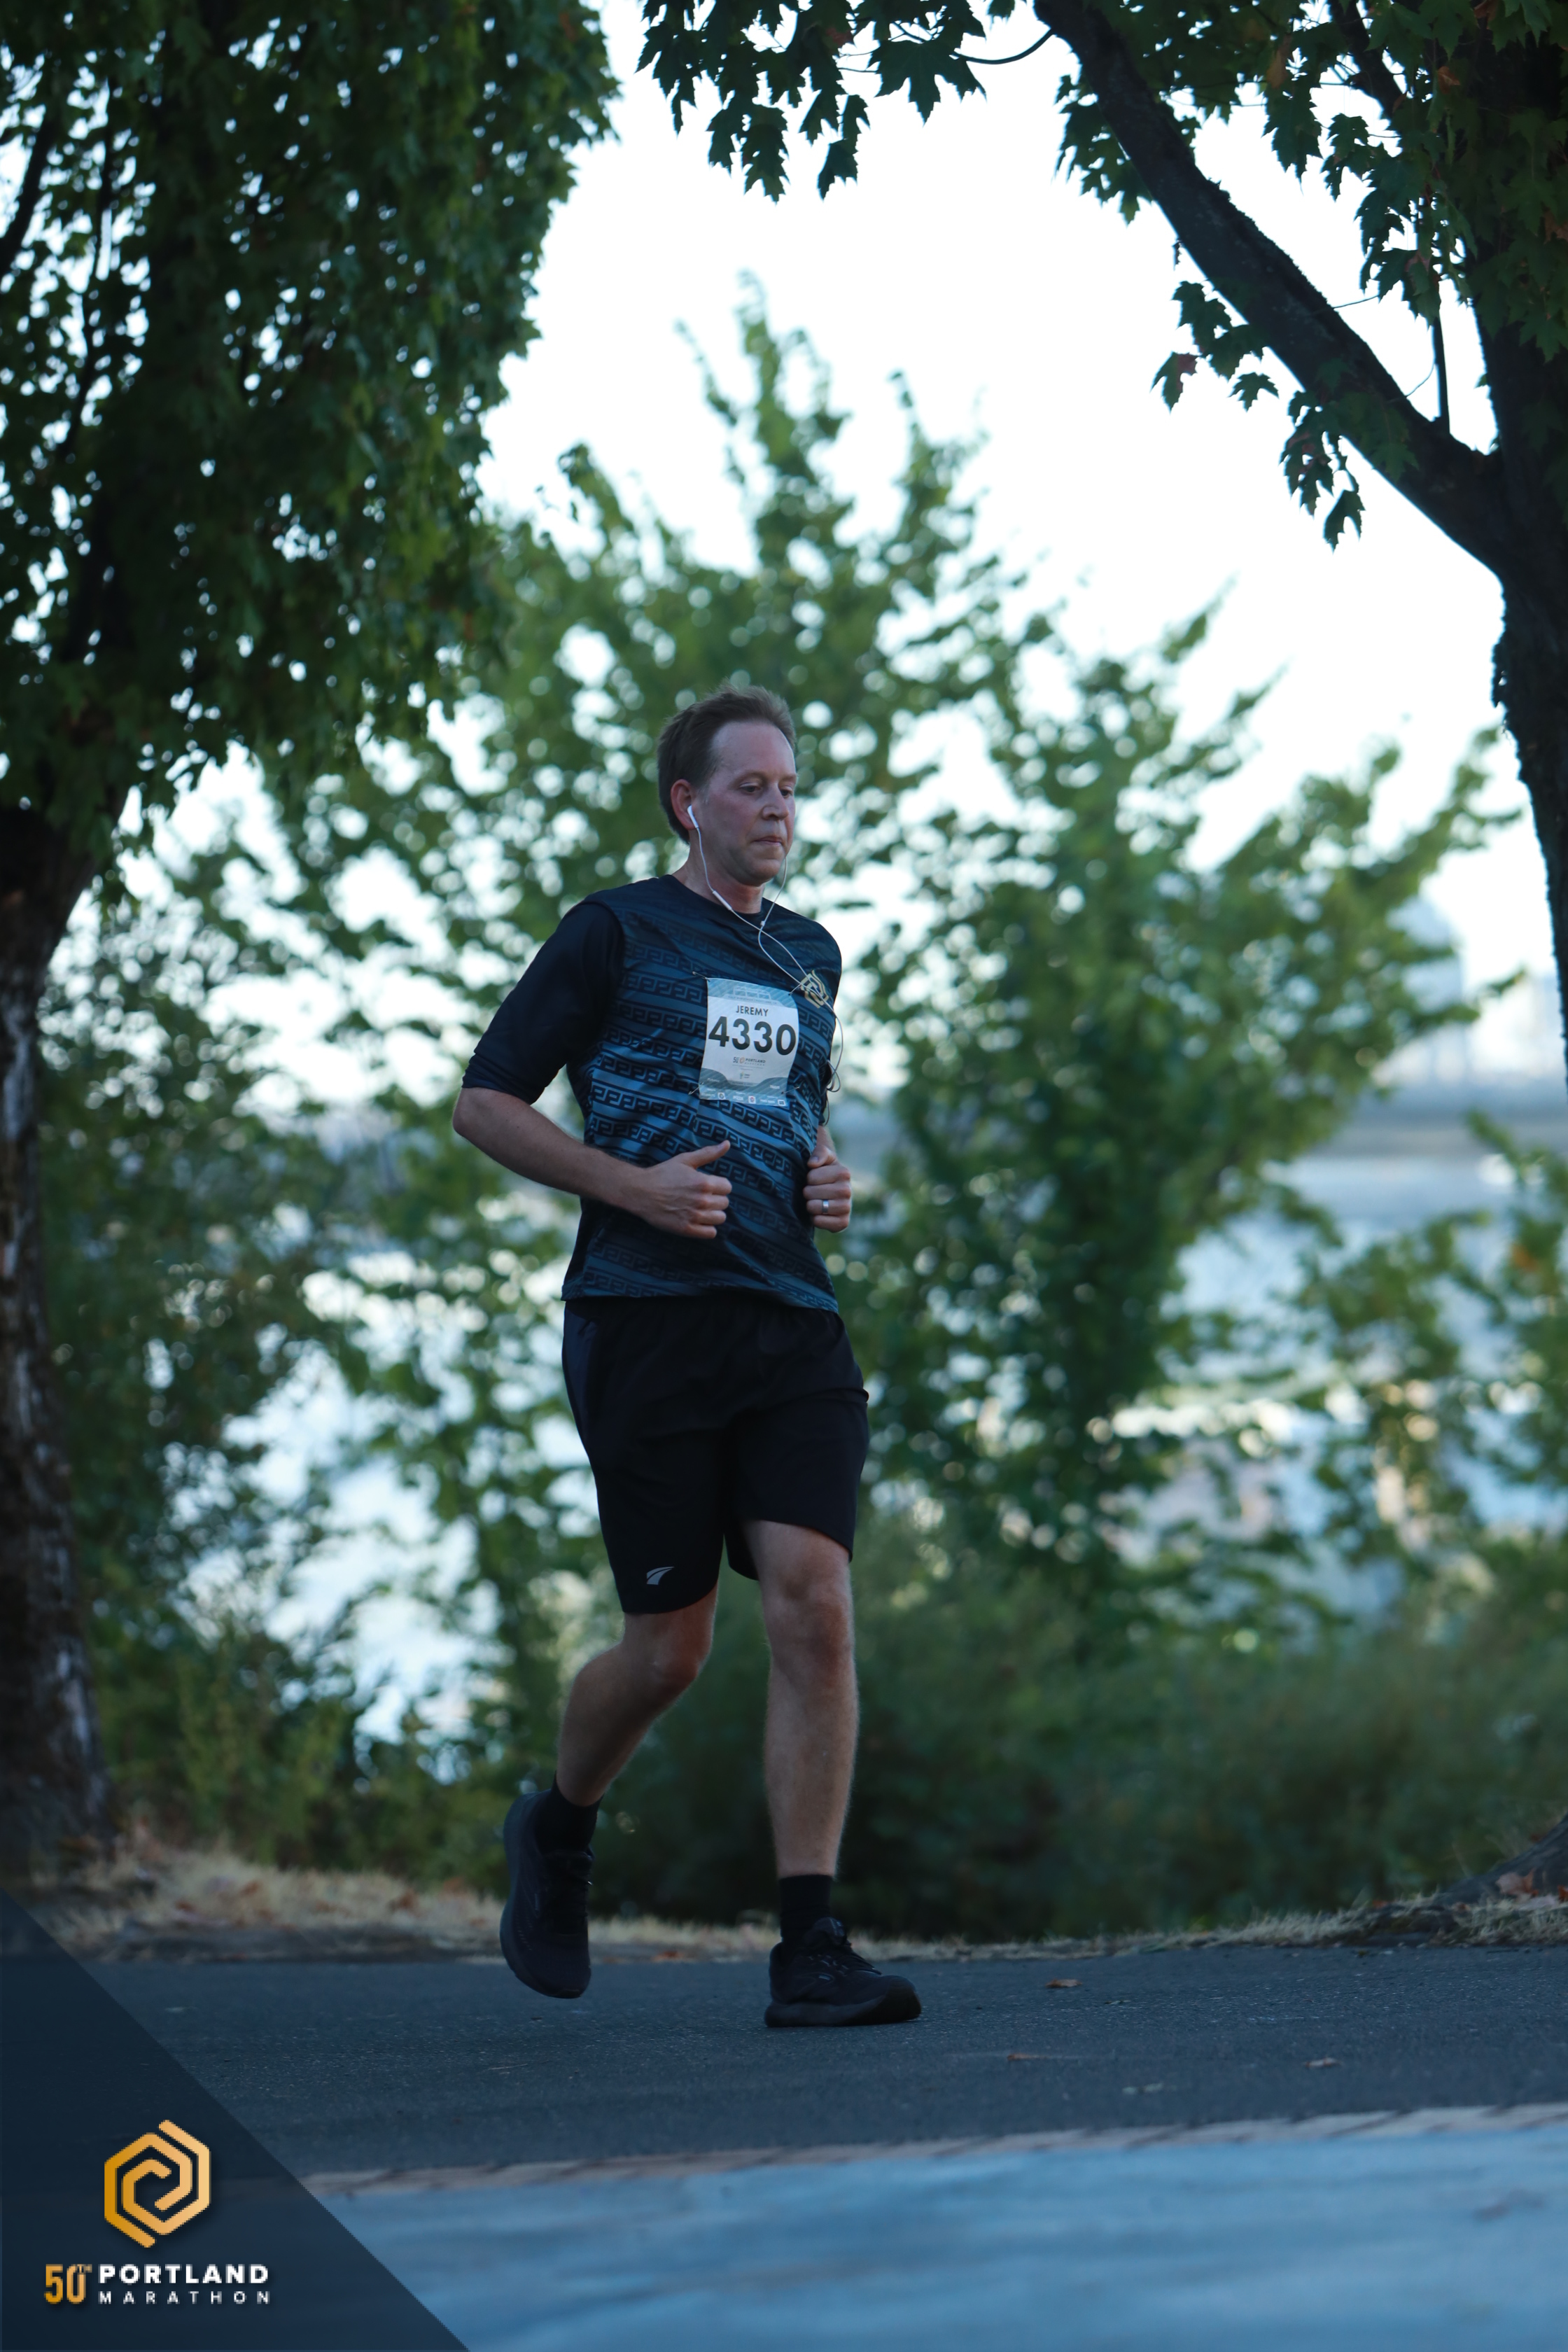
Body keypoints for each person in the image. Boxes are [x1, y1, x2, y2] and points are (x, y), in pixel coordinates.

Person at [451, 683, 919, 2030]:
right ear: (688, 803)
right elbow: (485, 1103)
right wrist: (633, 1188)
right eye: (751, 787)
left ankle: (811, 1947)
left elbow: (787, 1116)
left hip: (789, 1324)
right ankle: (558, 1823)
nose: (778, 809)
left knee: (815, 1601)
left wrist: (825, 1178)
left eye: (790, 788)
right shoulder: (613, 932)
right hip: (645, 1322)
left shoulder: (813, 957)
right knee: (669, 1653)